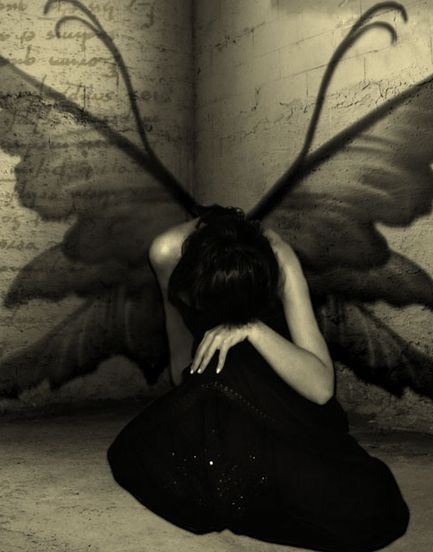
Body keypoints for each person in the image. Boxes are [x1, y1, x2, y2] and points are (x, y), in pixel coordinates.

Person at [107, 205, 409, 552]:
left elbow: (322, 389)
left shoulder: (277, 256)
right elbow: (180, 350)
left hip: (285, 391)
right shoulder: (166, 253)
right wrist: (193, 418)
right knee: (144, 456)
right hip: (215, 385)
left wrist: (252, 328)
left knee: (355, 507)